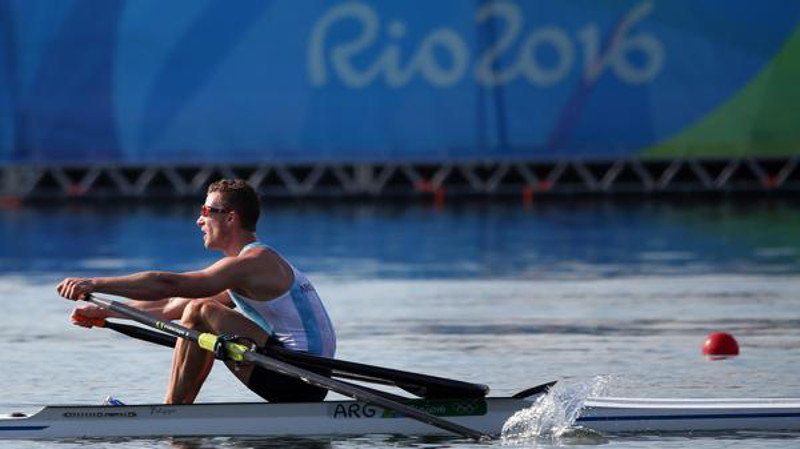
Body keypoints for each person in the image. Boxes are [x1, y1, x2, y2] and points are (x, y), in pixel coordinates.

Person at [56, 179, 336, 404]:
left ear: (230, 218)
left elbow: (170, 285)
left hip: (299, 379)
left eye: (206, 211)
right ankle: (176, 412)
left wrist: (95, 283)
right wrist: (106, 311)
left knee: (200, 310)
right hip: (303, 376)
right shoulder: (250, 268)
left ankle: (172, 412)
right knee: (197, 310)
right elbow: (171, 306)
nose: (199, 221)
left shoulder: (253, 263)